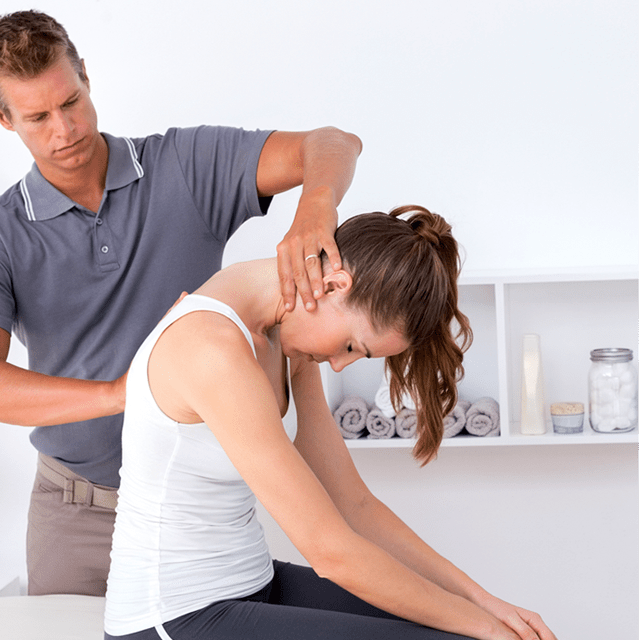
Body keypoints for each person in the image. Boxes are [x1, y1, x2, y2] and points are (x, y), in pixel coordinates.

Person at [0, 9, 362, 597]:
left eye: (71, 101)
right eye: (37, 117)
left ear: (85, 74)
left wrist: (315, 209)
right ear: (1, 117)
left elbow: (333, 144)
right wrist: (121, 392)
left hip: (199, 506)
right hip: (76, 514)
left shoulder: (184, 168)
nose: (64, 130)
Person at [104, 206, 558, 640]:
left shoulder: (286, 340)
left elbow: (353, 503)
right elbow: (331, 551)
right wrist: (481, 626)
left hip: (252, 584)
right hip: (173, 616)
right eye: (352, 345)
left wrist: (482, 603)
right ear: (336, 284)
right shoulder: (212, 348)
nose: (339, 365)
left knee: (469, 625)